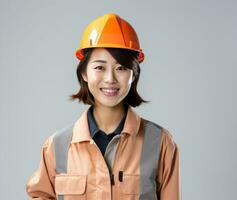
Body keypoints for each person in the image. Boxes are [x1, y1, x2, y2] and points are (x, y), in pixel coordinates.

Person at [26, 13, 181, 200]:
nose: (110, 79)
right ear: (84, 72)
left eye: (121, 68)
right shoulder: (56, 146)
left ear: (134, 75)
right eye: (99, 67)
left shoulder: (160, 143)